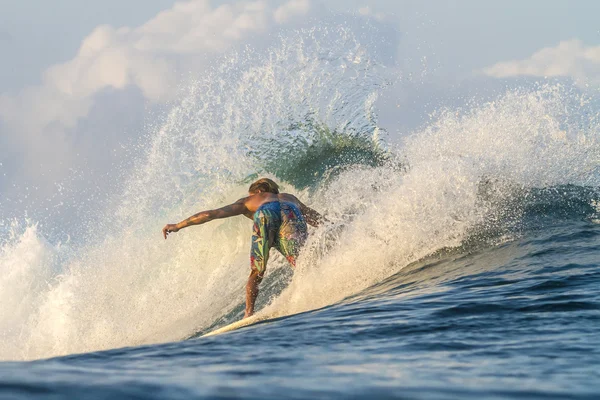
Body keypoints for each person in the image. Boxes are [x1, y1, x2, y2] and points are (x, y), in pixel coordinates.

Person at [162, 178, 323, 318]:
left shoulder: (250, 200)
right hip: (291, 211)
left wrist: (178, 225)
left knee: (257, 271)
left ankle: (249, 312)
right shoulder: (289, 197)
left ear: (259, 191)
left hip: (265, 213)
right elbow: (315, 218)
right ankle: (315, 291)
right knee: (303, 262)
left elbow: (211, 214)